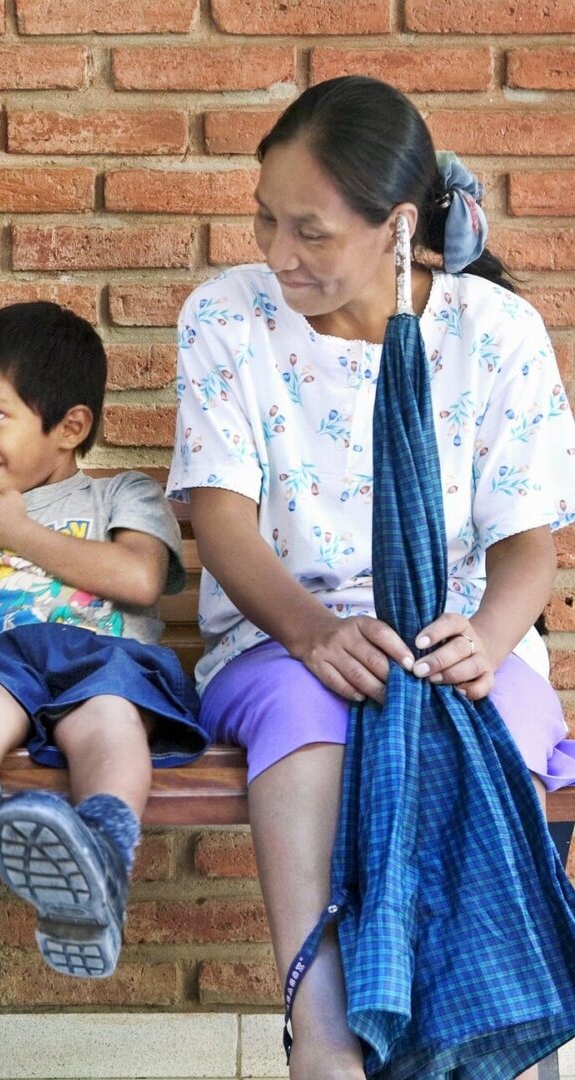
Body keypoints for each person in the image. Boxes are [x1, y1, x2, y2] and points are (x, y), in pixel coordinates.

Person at [168, 76, 575, 1079]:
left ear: (398, 228)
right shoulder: (229, 317)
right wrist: (310, 632)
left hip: (458, 643)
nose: (276, 253)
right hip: (278, 639)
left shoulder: (495, 333)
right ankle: (326, 1041)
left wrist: (485, 637)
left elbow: (530, 544)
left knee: (485, 744)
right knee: (307, 732)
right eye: (265, 218)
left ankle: (473, 1032)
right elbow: (219, 516)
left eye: (308, 230)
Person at [0, 301, 206, 978]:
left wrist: (14, 533)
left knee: (109, 720)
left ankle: (103, 853)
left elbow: (140, 578)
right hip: (2, 665)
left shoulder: (123, 497)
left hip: (108, 667)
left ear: (69, 426)